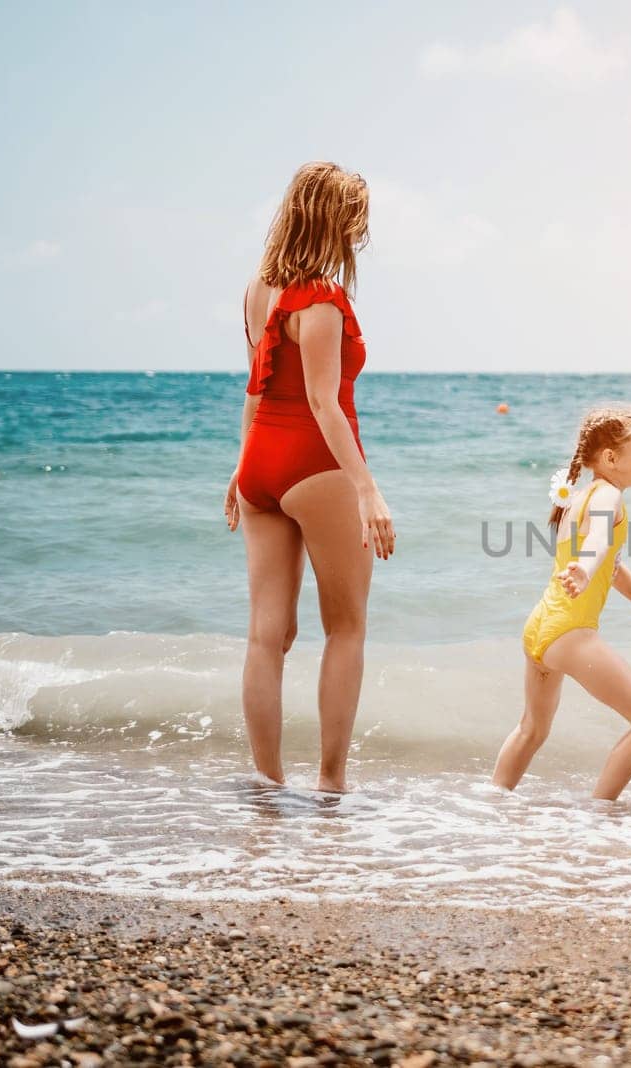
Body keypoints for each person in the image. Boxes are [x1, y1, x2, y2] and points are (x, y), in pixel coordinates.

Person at [223, 161, 395, 793]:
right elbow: (323, 405)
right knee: (345, 627)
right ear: (334, 219)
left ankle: (267, 783)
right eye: (356, 219)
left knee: (267, 635)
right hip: (315, 462)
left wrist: (240, 466)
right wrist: (367, 488)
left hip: (261, 463)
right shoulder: (321, 298)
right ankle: (331, 783)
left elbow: (255, 385)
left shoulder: (257, 289)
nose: (360, 232)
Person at [492, 404, 631, 800]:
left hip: (541, 627)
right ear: (611, 457)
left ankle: (492, 805)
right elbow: (597, 545)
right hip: (570, 633)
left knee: (531, 730)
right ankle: (599, 818)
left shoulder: (577, 497)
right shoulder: (607, 496)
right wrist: (585, 568)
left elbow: (611, 564)